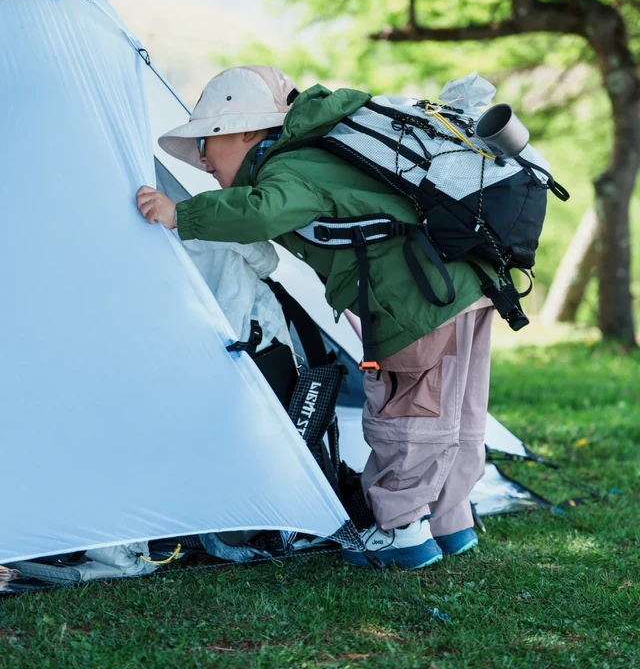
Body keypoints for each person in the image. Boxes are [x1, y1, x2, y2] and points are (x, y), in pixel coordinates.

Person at [136, 64, 494, 569]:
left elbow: (262, 212)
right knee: (455, 413)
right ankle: (449, 522)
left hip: (413, 299)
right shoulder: (323, 154)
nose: (202, 159)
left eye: (206, 141)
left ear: (244, 132)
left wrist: (182, 215)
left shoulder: (289, 165)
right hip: (461, 286)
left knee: (407, 412)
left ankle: (402, 532)